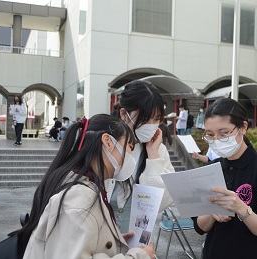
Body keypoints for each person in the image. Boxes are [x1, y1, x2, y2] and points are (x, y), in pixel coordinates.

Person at [16, 114, 155, 259]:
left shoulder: (80, 182)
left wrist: (112, 243)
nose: (131, 156)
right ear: (107, 142)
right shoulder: (80, 199)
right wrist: (138, 256)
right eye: (130, 148)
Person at [193, 98, 257, 259]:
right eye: (210, 135)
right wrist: (213, 212)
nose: (217, 140)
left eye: (224, 133)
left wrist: (242, 209)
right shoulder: (211, 169)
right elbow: (199, 228)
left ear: (243, 128)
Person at [111, 79, 174, 233]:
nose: (152, 125)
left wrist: (153, 156)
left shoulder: (160, 151)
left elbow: (161, 202)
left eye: (157, 119)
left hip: (138, 233)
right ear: (124, 115)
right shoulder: (108, 146)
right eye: (145, 119)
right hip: (101, 229)